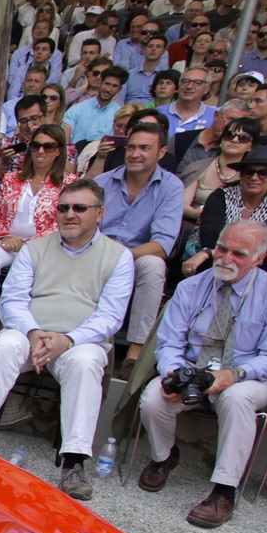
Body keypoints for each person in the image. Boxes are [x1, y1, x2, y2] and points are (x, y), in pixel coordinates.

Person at [0, 181, 135, 501]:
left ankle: (74, 462)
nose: (69, 214)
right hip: (31, 333)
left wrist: (68, 339)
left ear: (99, 213)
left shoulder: (119, 257)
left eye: (79, 208)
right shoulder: (35, 248)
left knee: (87, 362)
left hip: (78, 342)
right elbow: (11, 302)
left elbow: (111, 317)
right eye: (63, 208)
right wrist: (34, 332)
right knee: (4, 345)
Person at [137, 220, 267, 527]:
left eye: (238, 253)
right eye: (222, 249)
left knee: (236, 400)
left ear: (259, 258)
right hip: (194, 367)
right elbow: (170, 343)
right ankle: (164, 457)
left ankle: (224, 491)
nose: (225, 259)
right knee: (154, 399)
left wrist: (234, 374)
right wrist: (174, 373)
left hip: (247, 374)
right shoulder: (190, 287)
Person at [94, 120, 182, 369]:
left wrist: (120, 256)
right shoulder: (102, 182)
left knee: (154, 266)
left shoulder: (171, 187)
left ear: (161, 152)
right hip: (97, 253)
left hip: (137, 256)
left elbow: (162, 245)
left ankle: (136, 348)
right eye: (131, 147)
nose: (135, 154)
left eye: (144, 148)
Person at [0, 128, 72, 324]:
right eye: (36, 146)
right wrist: (3, 236)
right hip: (7, 243)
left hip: (44, 248)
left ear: (59, 151)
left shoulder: (68, 183)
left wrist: (28, 243)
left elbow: (61, 223)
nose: (41, 151)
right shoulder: (11, 179)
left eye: (48, 146)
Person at [186, 143, 267, 276]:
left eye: (264, 173)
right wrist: (263, 234)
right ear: (240, 174)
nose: (254, 177)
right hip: (208, 263)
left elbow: (266, 253)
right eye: (249, 172)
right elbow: (210, 239)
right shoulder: (220, 196)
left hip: (252, 270)